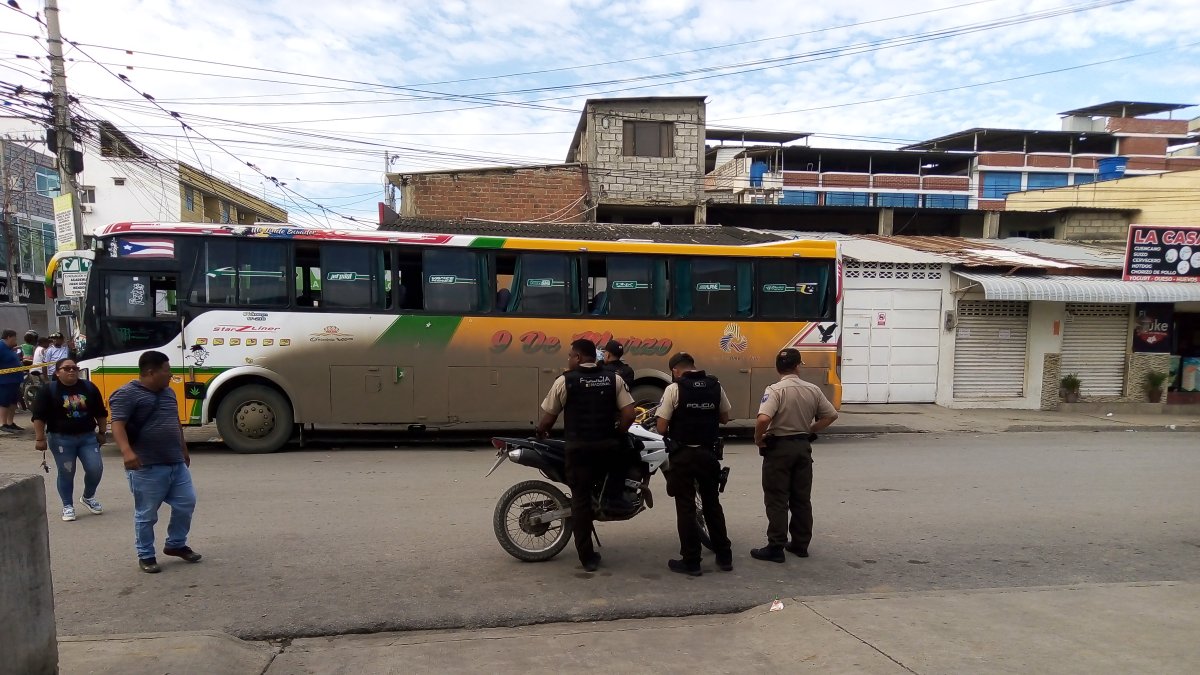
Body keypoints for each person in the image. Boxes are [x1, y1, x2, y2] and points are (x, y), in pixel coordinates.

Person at [535, 338, 635, 572]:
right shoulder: (614, 379)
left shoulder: (565, 381)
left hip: (578, 450)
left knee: (580, 501)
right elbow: (629, 414)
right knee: (624, 458)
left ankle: (587, 558)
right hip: (606, 449)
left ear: (578, 357)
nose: (569, 359)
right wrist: (618, 433)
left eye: (570, 356)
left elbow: (548, 418)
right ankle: (613, 501)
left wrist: (541, 432)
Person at [110, 350, 201, 574]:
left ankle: (176, 544)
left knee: (186, 503)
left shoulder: (169, 393)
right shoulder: (126, 394)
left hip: (175, 462)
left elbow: (175, 422)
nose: (171, 375)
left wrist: (183, 449)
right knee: (147, 513)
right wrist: (127, 452)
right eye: (167, 371)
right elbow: (117, 424)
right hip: (147, 465)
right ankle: (146, 555)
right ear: (151, 372)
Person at [750, 348, 839, 563]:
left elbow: (763, 419)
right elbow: (831, 415)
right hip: (802, 447)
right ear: (798, 366)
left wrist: (758, 439)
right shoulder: (813, 389)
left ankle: (776, 546)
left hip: (779, 449)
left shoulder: (775, 390)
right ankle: (800, 544)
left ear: (777, 368)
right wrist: (810, 430)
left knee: (777, 498)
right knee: (801, 498)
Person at [655, 352, 733, 576]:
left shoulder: (674, 389)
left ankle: (691, 561)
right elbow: (725, 417)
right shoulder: (715, 385)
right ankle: (724, 557)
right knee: (712, 505)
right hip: (708, 454)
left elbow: (661, 427)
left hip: (684, 456)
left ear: (675, 371)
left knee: (686, 508)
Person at [32, 358, 108, 522]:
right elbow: (38, 416)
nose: (72, 371)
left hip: (88, 437)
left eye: (74, 368)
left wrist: (102, 432)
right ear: (57, 372)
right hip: (61, 439)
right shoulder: (48, 390)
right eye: (67, 368)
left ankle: (88, 497)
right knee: (67, 472)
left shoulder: (89, 387)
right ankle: (67, 505)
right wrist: (40, 438)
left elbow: (100, 412)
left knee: (95, 469)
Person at [0, 329, 25, 432]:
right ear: (8, 337)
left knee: (13, 402)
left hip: (14, 380)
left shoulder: (9, 348)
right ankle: (3, 423)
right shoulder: (1, 347)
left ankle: (10, 423)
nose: (15, 341)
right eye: (14, 338)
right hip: (5, 381)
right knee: (4, 402)